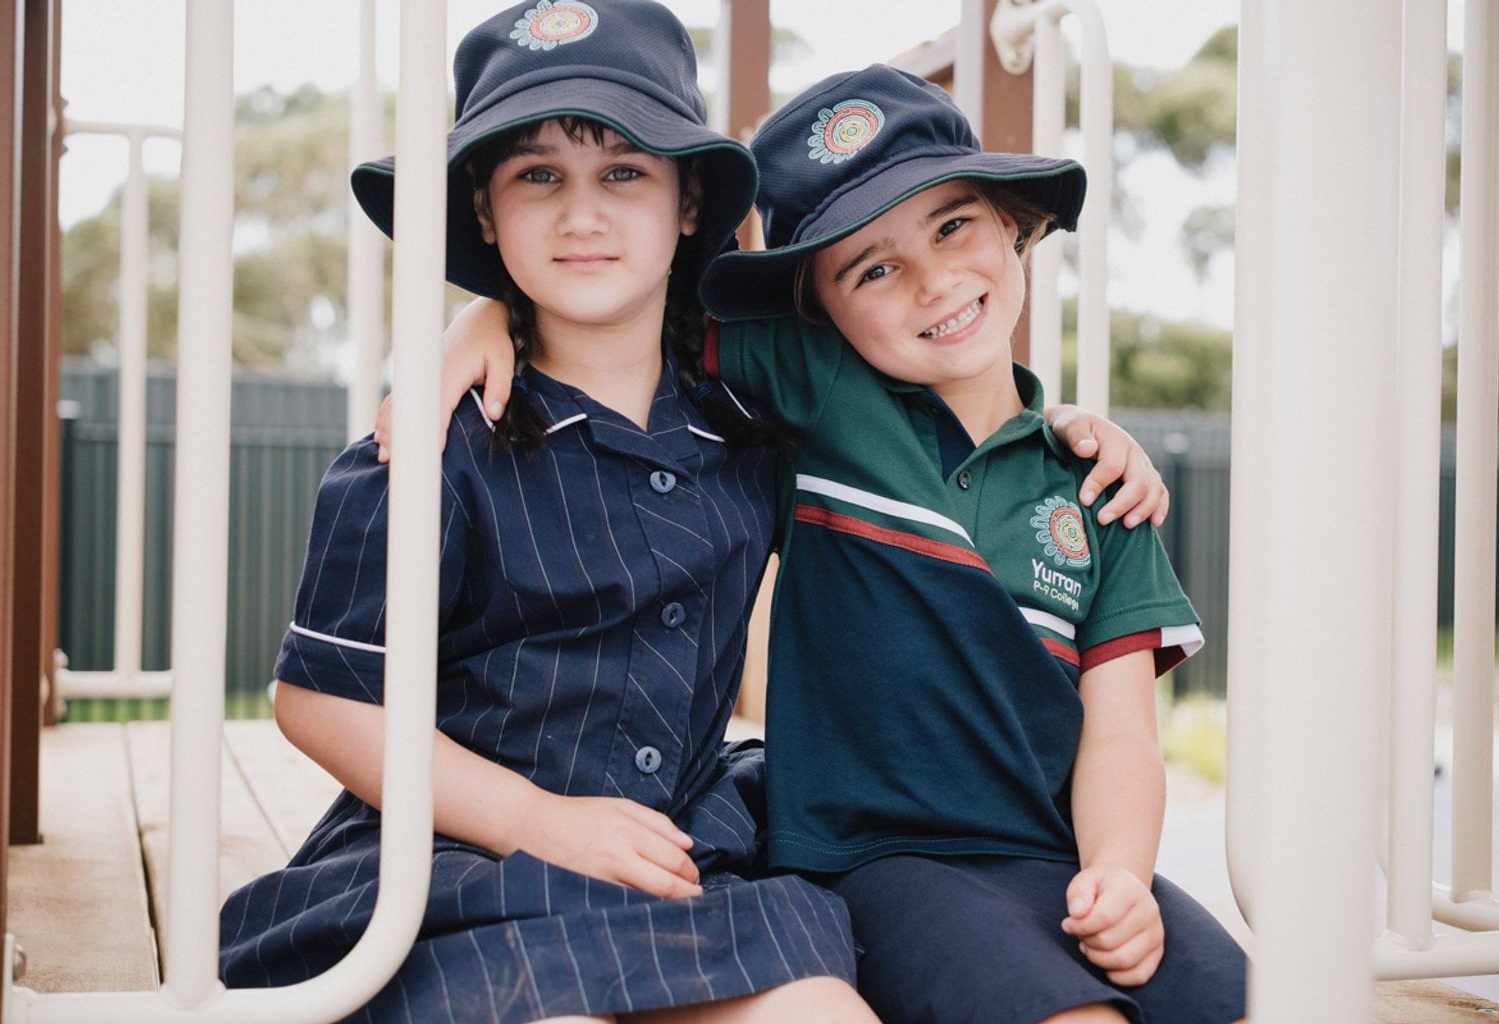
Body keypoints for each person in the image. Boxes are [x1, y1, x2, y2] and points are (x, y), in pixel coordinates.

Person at [416, 64, 1244, 1024]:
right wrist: (482, 316)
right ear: (815, 306)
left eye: (954, 225)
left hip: (1066, 857)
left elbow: (1123, 732)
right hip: (885, 865)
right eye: (874, 268)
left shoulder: (1098, 485)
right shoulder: (816, 391)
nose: (936, 280)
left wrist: (1121, 874)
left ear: (1014, 223)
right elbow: (619, 294)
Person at [218, 4, 883, 1021]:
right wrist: (540, 820)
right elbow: (321, 696)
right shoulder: (430, 449)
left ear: (688, 201)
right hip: (462, 861)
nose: (582, 215)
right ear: (484, 211)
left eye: (624, 173)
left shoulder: (752, 427)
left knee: (819, 1010)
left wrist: (1065, 431)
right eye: (538, 176)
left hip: (675, 851)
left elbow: (930, 412)